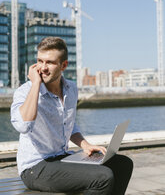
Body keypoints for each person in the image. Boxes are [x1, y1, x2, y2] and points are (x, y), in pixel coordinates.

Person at [11, 37, 133, 195]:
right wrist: (36, 84)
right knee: (103, 177)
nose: (43, 68)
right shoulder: (25, 91)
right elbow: (23, 126)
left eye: (49, 62)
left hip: (62, 158)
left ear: (64, 65)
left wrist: (85, 145)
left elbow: (69, 125)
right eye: (40, 61)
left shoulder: (71, 88)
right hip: (35, 167)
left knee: (123, 164)